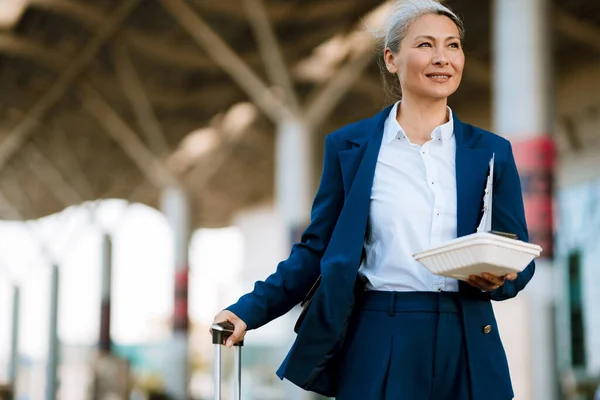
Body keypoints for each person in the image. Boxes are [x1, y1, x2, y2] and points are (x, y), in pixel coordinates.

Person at [212, 0, 534, 399]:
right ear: (391, 58)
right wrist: (248, 310)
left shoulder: (491, 151)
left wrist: (499, 279)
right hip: (382, 332)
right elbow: (316, 250)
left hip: (467, 331)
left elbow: (516, 253)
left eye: (452, 46)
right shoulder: (350, 147)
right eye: (425, 45)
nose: (442, 58)